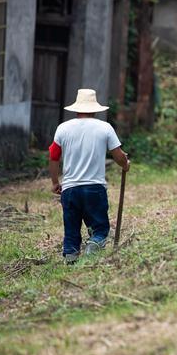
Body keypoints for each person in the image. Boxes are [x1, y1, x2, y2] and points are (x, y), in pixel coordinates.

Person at [48, 89, 130, 264]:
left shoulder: (63, 128)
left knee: (71, 230)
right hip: (94, 188)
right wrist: (125, 164)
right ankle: (94, 244)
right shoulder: (105, 128)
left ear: (77, 108)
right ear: (95, 109)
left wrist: (55, 182)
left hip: (69, 189)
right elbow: (118, 155)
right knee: (100, 229)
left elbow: (54, 156)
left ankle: (70, 259)